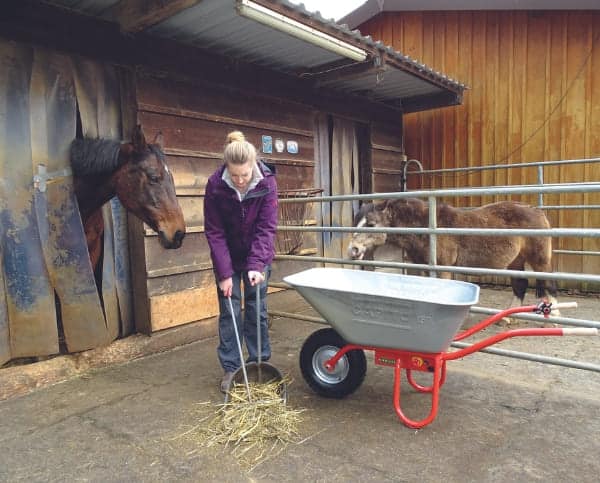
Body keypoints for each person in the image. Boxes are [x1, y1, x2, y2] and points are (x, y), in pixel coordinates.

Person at [203, 130, 278, 393]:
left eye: (244, 175)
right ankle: (232, 368)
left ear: (253, 165)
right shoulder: (215, 185)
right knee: (230, 310)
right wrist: (224, 273)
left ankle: (258, 364)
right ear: (227, 167)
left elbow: (266, 227)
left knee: (256, 307)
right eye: (234, 175)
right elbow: (215, 231)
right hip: (228, 257)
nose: (240, 180)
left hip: (257, 255)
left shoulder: (266, 181)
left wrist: (257, 265)